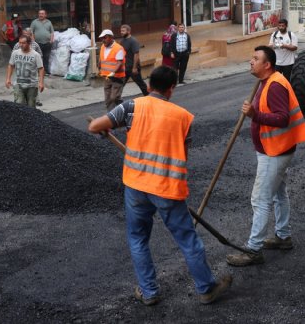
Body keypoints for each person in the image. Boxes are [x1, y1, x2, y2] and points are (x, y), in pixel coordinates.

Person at [88, 66, 233, 306]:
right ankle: (207, 288)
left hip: (136, 185)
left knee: (138, 239)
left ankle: (149, 291)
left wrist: (108, 128)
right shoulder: (183, 117)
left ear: (149, 84)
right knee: (187, 240)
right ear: (171, 89)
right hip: (167, 188)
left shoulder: (131, 107)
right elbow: (183, 156)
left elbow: (94, 126)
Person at [226, 46, 305, 267]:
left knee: (260, 198)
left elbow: (282, 119)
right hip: (274, 148)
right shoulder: (267, 81)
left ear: (267, 65)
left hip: (275, 151)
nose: (251, 61)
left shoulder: (274, 86)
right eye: (251, 57)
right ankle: (283, 236)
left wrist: (255, 115)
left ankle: (253, 249)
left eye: (256, 59)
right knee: (278, 194)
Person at [5, 34, 44, 107]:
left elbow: (41, 68)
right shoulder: (15, 53)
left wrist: (41, 82)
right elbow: (11, 65)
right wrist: (8, 79)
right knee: (19, 104)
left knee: (31, 106)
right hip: (18, 84)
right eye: (20, 43)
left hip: (32, 84)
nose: (21, 45)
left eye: (23, 43)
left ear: (29, 43)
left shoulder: (35, 55)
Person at [98, 29, 126, 111]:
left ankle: (121, 108)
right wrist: (99, 67)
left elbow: (119, 63)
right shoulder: (103, 46)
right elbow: (101, 59)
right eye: (102, 38)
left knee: (114, 97)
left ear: (111, 37)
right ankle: (110, 116)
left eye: (105, 38)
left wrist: (113, 72)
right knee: (108, 99)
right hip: (107, 77)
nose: (103, 40)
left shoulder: (118, 48)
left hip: (117, 77)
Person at [120, 24, 149, 96]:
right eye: (121, 31)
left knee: (140, 83)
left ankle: (149, 96)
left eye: (123, 31)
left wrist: (134, 67)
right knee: (120, 85)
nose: (121, 32)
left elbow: (136, 55)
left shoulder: (133, 41)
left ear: (129, 31)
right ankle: (116, 100)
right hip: (125, 68)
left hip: (133, 67)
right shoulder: (122, 41)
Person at [29, 9, 55, 75]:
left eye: (42, 13)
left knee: (46, 57)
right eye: (40, 13)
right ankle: (39, 71)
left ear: (45, 15)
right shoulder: (34, 22)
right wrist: (33, 41)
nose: (40, 15)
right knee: (38, 58)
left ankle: (46, 71)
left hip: (47, 43)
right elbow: (31, 32)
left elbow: (52, 32)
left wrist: (51, 40)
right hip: (38, 43)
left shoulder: (49, 22)